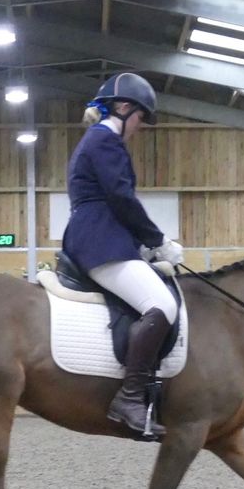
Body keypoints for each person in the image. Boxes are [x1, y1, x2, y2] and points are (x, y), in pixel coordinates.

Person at [62, 72, 182, 440]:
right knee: (162, 306)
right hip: (99, 241)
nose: (141, 127)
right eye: (141, 119)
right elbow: (121, 198)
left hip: (104, 236)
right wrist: (157, 240)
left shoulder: (99, 141)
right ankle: (129, 399)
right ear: (125, 107)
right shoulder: (104, 141)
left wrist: (142, 244)